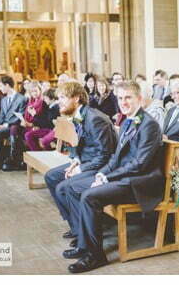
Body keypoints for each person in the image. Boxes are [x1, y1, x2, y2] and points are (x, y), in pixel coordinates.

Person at [62, 80, 163, 273]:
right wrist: (102, 173)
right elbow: (116, 158)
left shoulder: (149, 125)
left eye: (128, 98)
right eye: (120, 98)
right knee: (74, 187)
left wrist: (108, 178)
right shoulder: (126, 122)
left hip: (141, 182)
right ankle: (84, 244)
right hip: (125, 177)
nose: (123, 102)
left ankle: (96, 256)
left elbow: (140, 164)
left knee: (90, 196)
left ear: (139, 99)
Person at [43, 81, 116, 249]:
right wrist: (75, 160)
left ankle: (82, 231)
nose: (59, 101)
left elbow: (105, 155)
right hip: (86, 162)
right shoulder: (75, 116)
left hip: (100, 167)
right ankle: (76, 226)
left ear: (76, 99)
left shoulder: (95, 119)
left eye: (63, 97)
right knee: (51, 176)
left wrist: (80, 169)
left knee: (64, 187)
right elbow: (75, 144)